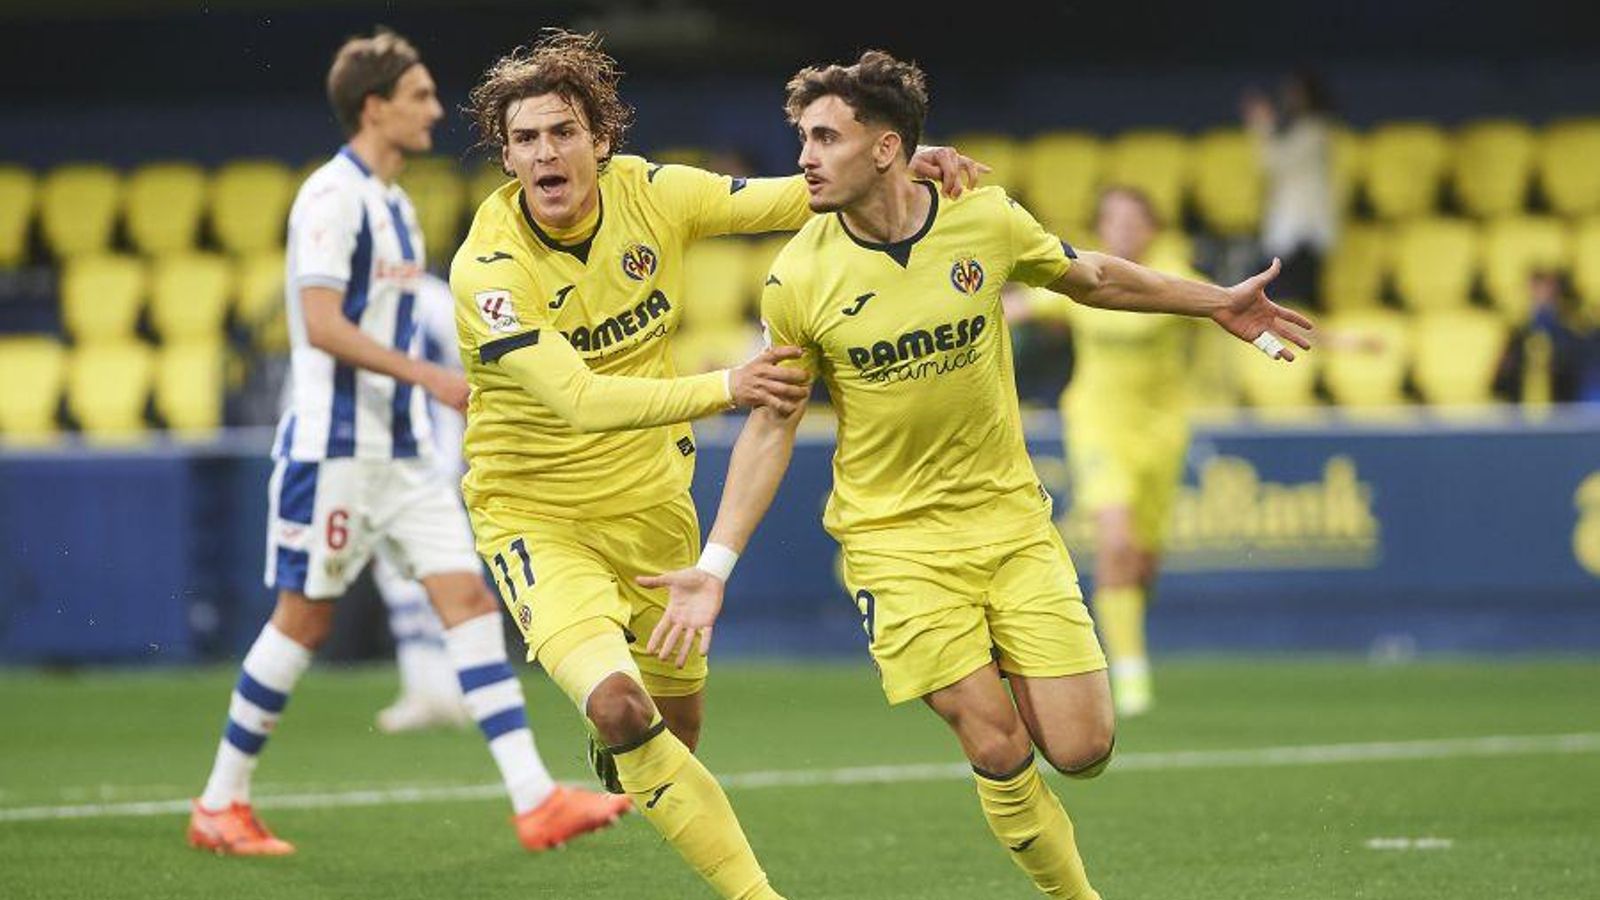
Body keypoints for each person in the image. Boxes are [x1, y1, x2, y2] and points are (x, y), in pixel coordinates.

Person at [640, 51, 1311, 899]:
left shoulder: (982, 219)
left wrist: (1215, 300)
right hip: (894, 543)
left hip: (1010, 524)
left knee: (1082, 749)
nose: (803, 157)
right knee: (996, 744)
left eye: (823, 137)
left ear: (886, 149)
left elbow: (1092, 278)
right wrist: (714, 568)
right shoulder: (798, 276)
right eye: (800, 137)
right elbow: (773, 425)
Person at [449, 30, 980, 900]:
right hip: (536, 516)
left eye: (563, 132)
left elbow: (785, 201)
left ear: (600, 139)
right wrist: (726, 386)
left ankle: (627, 752)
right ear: (505, 157)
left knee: (676, 729)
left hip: (654, 503)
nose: (546, 152)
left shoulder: (655, 193)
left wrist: (900, 167)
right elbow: (579, 399)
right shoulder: (489, 270)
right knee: (623, 707)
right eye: (526, 140)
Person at [187, 29, 629, 857]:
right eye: (421, 95)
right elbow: (319, 326)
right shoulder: (333, 198)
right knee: (302, 622)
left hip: (402, 454)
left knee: (466, 600)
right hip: (336, 451)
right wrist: (430, 379)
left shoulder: (392, 202)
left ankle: (536, 799)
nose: (435, 108)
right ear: (375, 106)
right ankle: (220, 800)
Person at [1005, 186, 1204, 717]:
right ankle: (1131, 672)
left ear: (1152, 228)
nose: (1123, 229)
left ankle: (1128, 627)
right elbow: (1017, 306)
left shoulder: (1171, 274)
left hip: (1161, 430)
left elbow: (1234, 306)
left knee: (1142, 559)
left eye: (1134, 219)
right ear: (1101, 226)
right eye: (1112, 219)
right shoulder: (1085, 273)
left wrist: (1336, 344)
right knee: (1115, 540)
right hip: (1097, 424)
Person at [370, 272, 472, 733]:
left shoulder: (431, 298)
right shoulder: (349, 296)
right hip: (373, 457)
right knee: (397, 577)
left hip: (432, 455)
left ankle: (460, 686)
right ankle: (423, 689)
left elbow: (469, 370)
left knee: (448, 571)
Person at [1242, 70, 1339, 308]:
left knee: (1298, 300)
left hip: (1303, 231)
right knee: (1283, 298)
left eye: (1295, 92)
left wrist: (1261, 124)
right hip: (1291, 230)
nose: (1288, 98)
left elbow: (1273, 164)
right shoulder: (1303, 130)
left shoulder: (1315, 130)